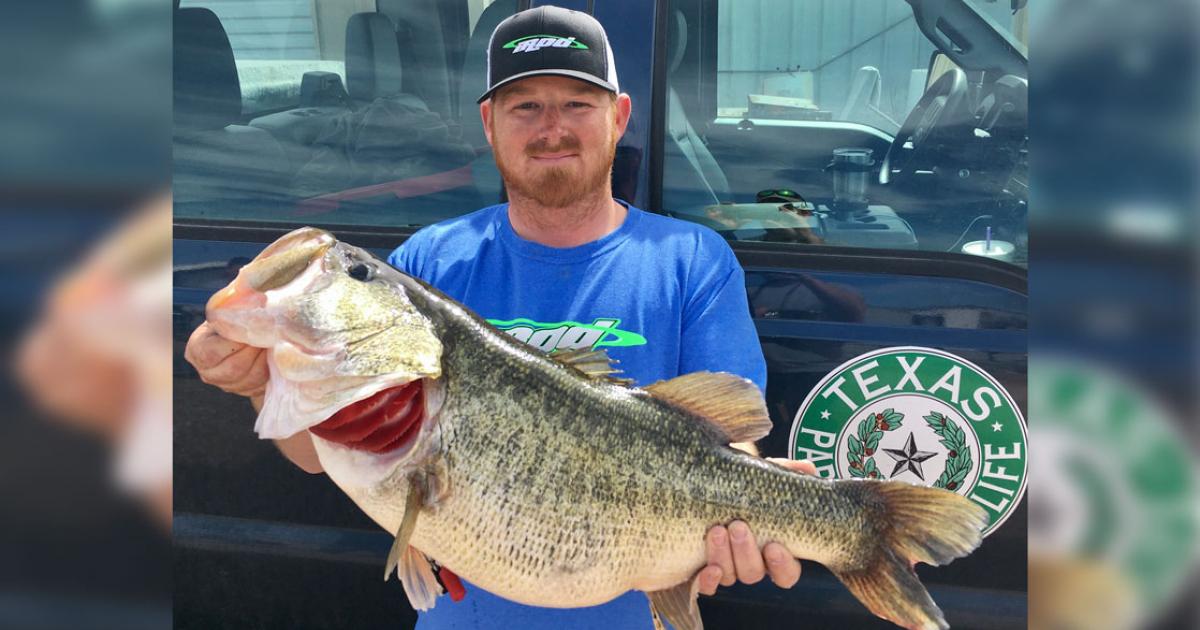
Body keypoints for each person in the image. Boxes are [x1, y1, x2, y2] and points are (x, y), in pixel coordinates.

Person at [185, 6, 814, 629]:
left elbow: (730, 436)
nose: (552, 129)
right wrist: (261, 382)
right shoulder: (428, 263)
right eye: (526, 107)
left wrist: (752, 501)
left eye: (576, 104)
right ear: (489, 123)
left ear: (618, 117)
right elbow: (317, 454)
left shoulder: (691, 259)